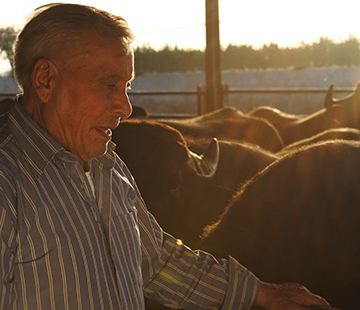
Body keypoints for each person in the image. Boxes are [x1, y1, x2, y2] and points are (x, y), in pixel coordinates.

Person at [0, 3, 330, 310]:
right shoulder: (8, 184)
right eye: (109, 84)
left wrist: (263, 294)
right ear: (45, 80)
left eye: (126, 87)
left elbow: (156, 264)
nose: (126, 108)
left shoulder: (108, 168)